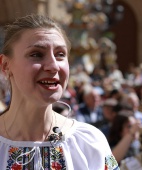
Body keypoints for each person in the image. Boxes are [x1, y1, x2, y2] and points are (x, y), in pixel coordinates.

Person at [0, 14, 119, 170]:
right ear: (6, 65)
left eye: (60, 54)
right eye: (36, 54)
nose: (54, 66)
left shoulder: (89, 142)